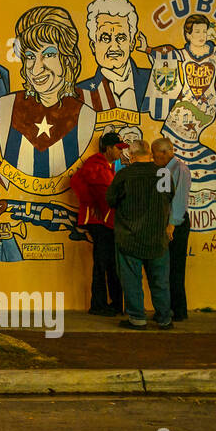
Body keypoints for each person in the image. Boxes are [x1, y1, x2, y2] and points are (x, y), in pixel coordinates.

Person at [0, 5, 96, 178]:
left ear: (67, 59)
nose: (36, 69)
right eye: (30, 57)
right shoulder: (7, 105)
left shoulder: (85, 114)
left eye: (48, 54)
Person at [105, 139, 174, 330]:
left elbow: (111, 199)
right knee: (160, 281)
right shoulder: (162, 174)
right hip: (157, 236)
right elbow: (169, 198)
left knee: (132, 280)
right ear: (150, 154)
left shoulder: (125, 175)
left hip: (130, 236)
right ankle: (163, 318)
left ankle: (137, 318)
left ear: (132, 155)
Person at [71, 130, 126, 316]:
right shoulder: (95, 163)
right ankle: (99, 305)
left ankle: (112, 304)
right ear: (108, 148)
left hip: (106, 222)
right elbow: (76, 181)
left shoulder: (108, 166)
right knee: (103, 264)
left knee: (108, 263)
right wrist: (90, 203)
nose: (121, 152)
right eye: (118, 148)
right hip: (99, 223)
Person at [77, 0, 151, 112]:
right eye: (105, 38)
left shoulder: (152, 82)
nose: (114, 47)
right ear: (93, 46)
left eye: (121, 38)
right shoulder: (80, 94)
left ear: (131, 43)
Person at [152, 137, 191, 322]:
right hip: (165, 221)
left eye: (155, 154)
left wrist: (172, 225)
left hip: (176, 223)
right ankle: (167, 309)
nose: (153, 158)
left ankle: (179, 310)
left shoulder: (180, 169)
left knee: (175, 268)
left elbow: (179, 200)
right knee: (164, 269)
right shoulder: (163, 171)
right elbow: (161, 199)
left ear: (166, 152)